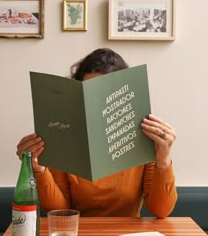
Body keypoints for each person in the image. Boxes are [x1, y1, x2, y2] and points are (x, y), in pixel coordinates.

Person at [16, 48, 177, 218]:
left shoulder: (143, 138)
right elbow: (58, 209)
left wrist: (163, 158)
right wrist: (38, 169)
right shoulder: (64, 134)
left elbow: (161, 210)